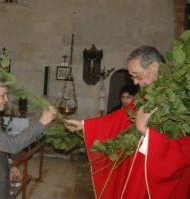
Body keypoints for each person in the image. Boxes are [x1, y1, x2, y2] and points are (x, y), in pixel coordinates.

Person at [65, 46, 190, 199]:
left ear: (155, 67)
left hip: (155, 182)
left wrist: (146, 132)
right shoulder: (144, 97)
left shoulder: (181, 99)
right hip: (135, 173)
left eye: (137, 75)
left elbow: (184, 151)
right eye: (132, 77)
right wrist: (84, 125)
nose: (136, 83)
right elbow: (119, 118)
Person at [0, 78, 57, 199]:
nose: (6, 100)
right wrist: (42, 122)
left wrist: (7, 167)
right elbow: (11, 145)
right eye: (3, 95)